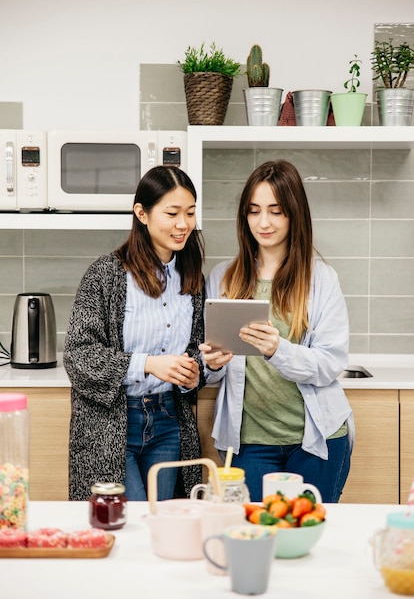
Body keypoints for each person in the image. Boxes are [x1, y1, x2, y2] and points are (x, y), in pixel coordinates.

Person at [199, 159, 354, 503]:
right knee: (256, 535)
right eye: (254, 211)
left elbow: (330, 363)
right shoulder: (223, 278)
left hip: (316, 440)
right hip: (251, 443)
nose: (263, 222)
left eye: (276, 211)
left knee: (306, 538)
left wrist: (276, 350)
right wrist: (213, 363)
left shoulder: (321, 279)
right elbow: (210, 371)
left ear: (293, 215)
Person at [64, 165, 206, 501]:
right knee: (129, 523)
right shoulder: (105, 275)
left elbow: (196, 349)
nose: (183, 224)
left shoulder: (190, 276)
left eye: (190, 212)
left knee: (163, 523)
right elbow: (78, 355)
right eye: (172, 213)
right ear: (141, 213)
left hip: (170, 421)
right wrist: (148, 364)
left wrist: (196, 369)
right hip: (112, 424)